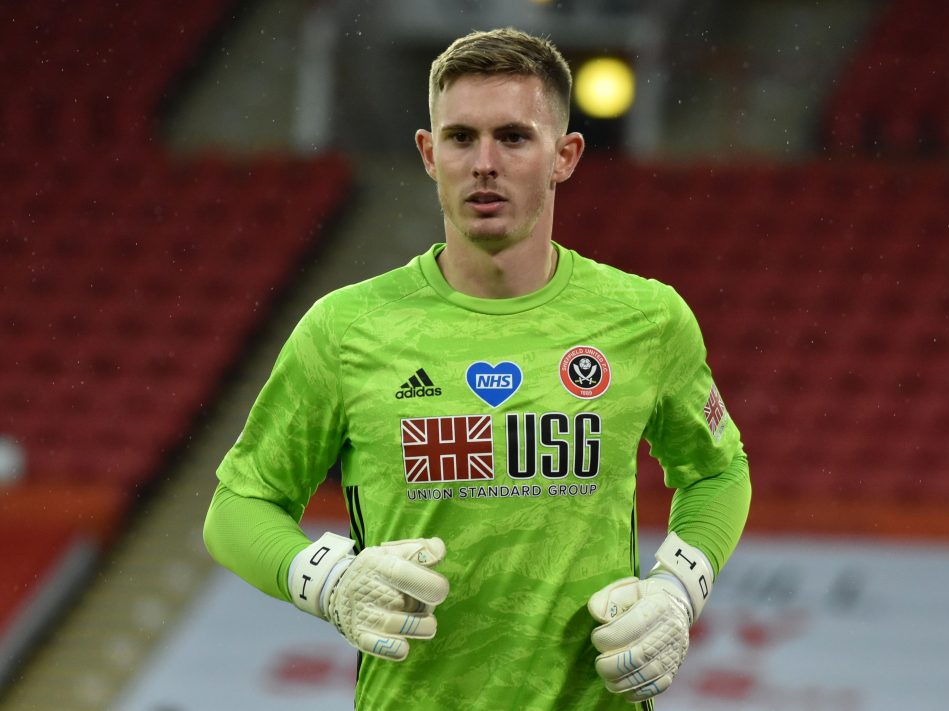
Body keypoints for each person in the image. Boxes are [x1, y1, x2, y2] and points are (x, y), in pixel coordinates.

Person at [204, 27, 751, 711]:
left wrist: (678, 587)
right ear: (430, 155)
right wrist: (329, 580)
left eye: (514, 137)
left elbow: (719, 468)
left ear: (565, 155)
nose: (484, 162)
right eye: (461, 138)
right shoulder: (345, 329)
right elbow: (237, 506)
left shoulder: (648, 318)